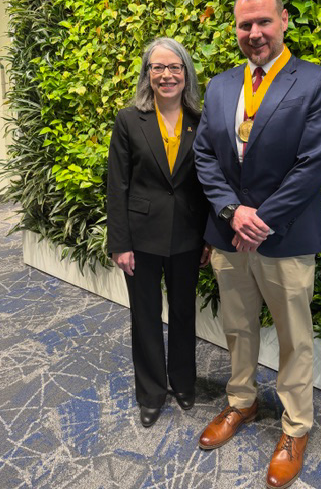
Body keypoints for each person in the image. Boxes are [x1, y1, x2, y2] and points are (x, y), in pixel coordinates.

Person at [193, 0, 321, 488]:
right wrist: (233, 212)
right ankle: (242, 402)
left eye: (263, 22)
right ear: (235, 29)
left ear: (283, 21)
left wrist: (262, 218)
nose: (254, 33)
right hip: (229, 233)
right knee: (237, 327)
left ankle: (296, 427)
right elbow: (205, 156)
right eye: (244, 24)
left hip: (285, 236)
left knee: (294, 338)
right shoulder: (219, 86)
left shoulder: (315, 81)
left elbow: (314, 162)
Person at [107, 37, 209, 428]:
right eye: (158, 67)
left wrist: (209, 238)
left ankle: (183, 382)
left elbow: (208, 184)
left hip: (187, 235)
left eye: (174, 67)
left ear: (186, 73)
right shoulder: (128, 119)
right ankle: (150, 393)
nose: (166, 75)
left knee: (184, 312)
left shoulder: (201, 120)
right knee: (145, 315)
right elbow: (118, 185)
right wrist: (120, 243)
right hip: (141, 237)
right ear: (147, 74)